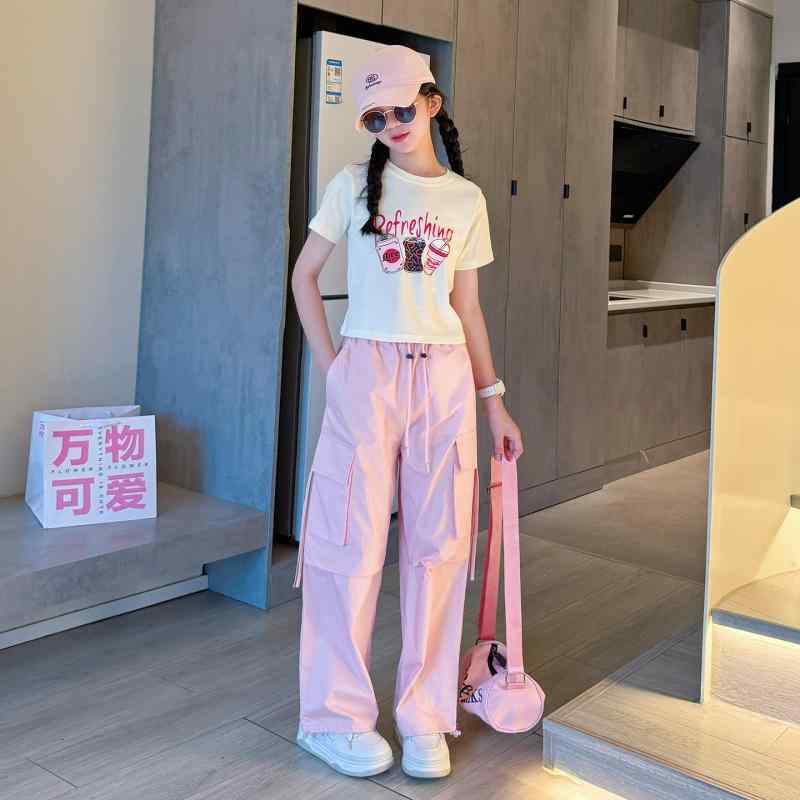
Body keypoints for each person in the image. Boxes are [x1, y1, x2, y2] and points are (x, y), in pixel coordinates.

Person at [290, 43, 523, 780]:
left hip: (445, 378)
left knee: (441, 547)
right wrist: (335, 368)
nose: (390, 122)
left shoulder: (465, 200)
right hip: (367, 372)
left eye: (401, 107)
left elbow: (467, 308)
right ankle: (332, 718)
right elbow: (304, 276)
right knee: (346, 544)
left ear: (431, 103)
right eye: (375, 115)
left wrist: (495, 403)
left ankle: (426, 716)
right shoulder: (351, 186)